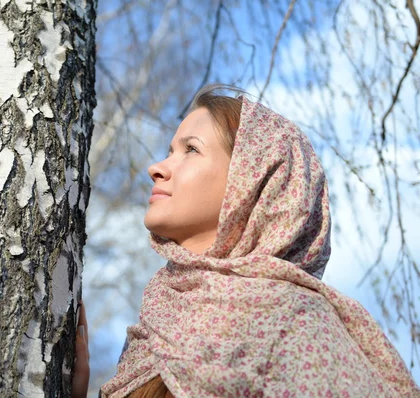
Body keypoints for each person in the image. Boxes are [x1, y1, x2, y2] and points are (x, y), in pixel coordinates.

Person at [72, 84, 420, 397]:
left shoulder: (296, 322)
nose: (157, 167)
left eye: (190, 150)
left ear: (252, 182)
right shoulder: (159, 317)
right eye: (170, 150)